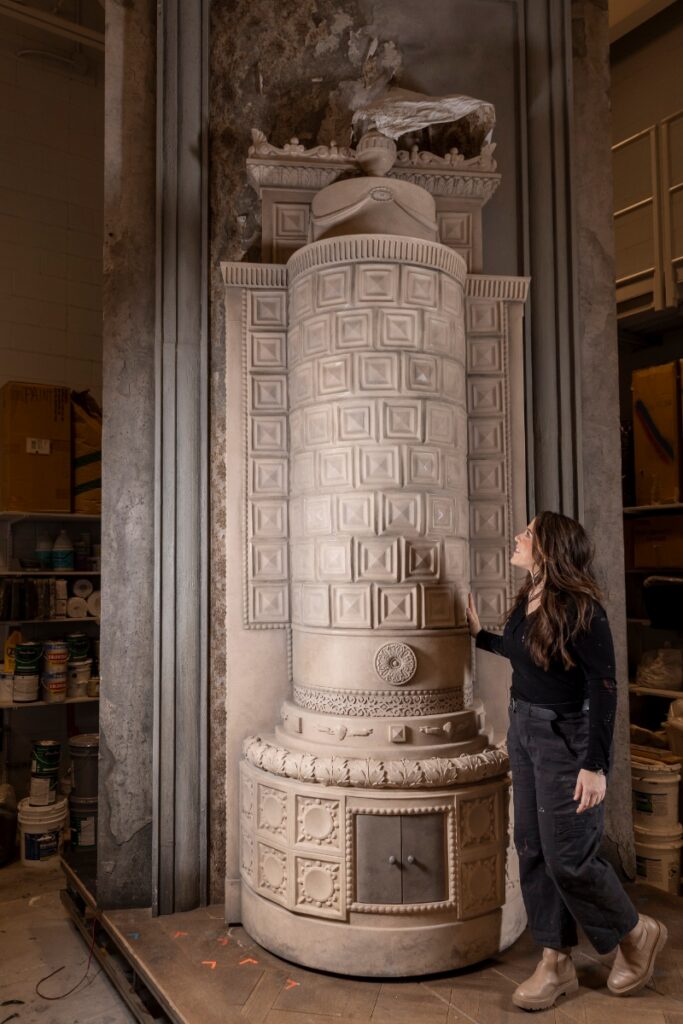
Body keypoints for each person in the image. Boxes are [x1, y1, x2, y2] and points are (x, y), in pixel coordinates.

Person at [466, 511, 667, 1012]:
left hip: (567, 739)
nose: (519, 536)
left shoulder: (582, 608)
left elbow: (603, 688)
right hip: (525, 730)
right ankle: (555, 962)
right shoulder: (529, 596)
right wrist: (479, 636)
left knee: (568, 856)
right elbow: (524, 653)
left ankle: (636, 932)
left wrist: (595, 766)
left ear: (550, 547)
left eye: (529, 533)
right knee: (532, 846)